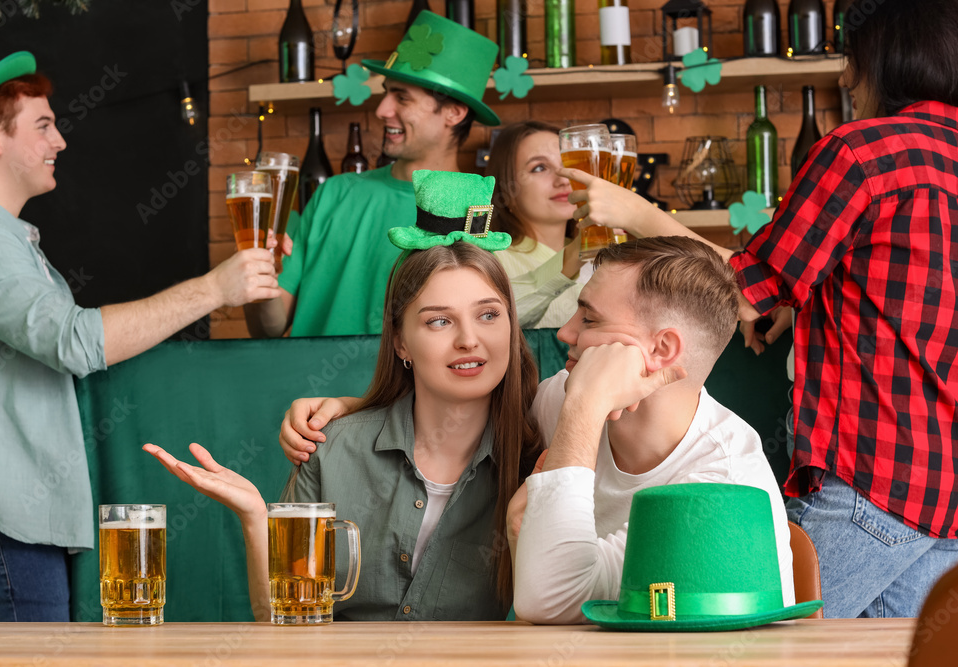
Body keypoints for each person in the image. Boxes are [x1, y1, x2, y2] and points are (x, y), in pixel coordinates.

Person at [563, 0, 958, 618]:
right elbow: (916, 298)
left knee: (748, 644)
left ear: (883, 57)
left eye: (849, 62)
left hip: (871, 478)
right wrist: (807, 304)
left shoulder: (861, 153)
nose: (846, 80)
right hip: (944, 496)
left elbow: (745, 290)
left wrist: (637, 213)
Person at [280, 237, 793, 624]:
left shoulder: (723, 490)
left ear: (660, 352)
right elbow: (463, 407)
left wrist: (586, 409)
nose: (565, 333)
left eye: (589, 321)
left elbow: (549, 599)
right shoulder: (556, 400)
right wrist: (357, 410)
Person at [144, 171, 556, 621]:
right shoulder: (332, 447)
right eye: (439, 321)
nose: (469, 340)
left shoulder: (539, 455)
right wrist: (255, 518)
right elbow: (283, 624)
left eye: (489, 315)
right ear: (400, 342)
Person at [0, 50, 279, 621]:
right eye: (43, 126)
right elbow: (75, 342)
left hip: (14, 518)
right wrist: (213, 290)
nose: (59, 141)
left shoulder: (6, 239)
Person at [244, 11, 501, 339]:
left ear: (454, 112)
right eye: (387, 92)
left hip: (409, 392)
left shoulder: (477, 214)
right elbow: (268, 328)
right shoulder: (334, 193)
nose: (382, 110)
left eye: (402, 98)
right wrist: (258, 278)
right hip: (306, 388)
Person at [486, 121, 584, 328]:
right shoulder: (491, 259)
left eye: (568, 165)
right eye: (540, 168)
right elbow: (492, 323)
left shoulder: (602, 254)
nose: (564, 180)